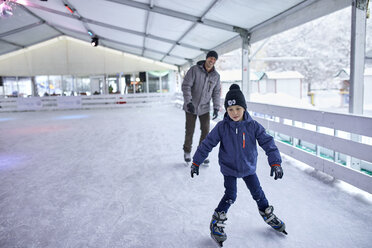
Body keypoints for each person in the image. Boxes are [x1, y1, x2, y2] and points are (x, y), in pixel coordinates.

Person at [190, 84, 286, 245]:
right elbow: (207, 143)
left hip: (248, 168)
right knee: (230, 195)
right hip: (229, 169)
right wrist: (196, 161)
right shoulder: (222, 127)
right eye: (230, 109)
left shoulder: (253, 126)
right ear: (226, 111)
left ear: (244, 108)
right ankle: (216, 221)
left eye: (237, 108)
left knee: (258, 193)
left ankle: (267, 213)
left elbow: (268, 143)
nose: (234, 113)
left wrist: (275, 163)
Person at [182, 50, 221, 166]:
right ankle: (187, 151)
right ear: (206, 58)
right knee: (190, 130)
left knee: (205, 131)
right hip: (191, 106)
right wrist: (188, 101)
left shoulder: (216, 76)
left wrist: (216, 107)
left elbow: (216, 92)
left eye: (214, 59)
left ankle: (202, 153)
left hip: (204, 107)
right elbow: (186, 86)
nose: (212, 61)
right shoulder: (194, 70)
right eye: (210, 58)